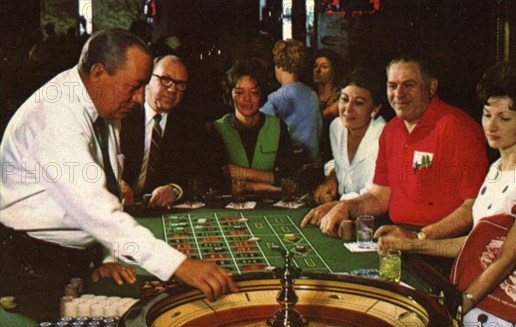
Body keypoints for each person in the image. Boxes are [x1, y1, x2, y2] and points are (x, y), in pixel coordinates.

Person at [0, 28, 237, 300]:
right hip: (31, 266)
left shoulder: (102, 106)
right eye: (133, 86)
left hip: (70, 258)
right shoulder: (56, 118)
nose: (139, 98)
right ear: (99, 73)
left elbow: (108, 188)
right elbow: (93, 209)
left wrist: (107, 255)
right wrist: (179, 266)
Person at [376, 61, 516, 327]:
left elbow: (507, 256)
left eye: (505, 117)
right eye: (487, 114)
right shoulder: (495, 170)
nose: (491, 125)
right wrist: (413, 245)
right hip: (482, 302)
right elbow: (476, 245)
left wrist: (462, 302)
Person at [302, 53, 488, 247]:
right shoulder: (391, 129)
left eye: (408, 85)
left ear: (431, 87)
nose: (399, 94)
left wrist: (420, 237)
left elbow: (474, 205)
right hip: (399, 236)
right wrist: (346, 207)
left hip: (441, 245)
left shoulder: (457, 127)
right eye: (392, 86)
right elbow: (378, 196)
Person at [120, 55, 222, 208]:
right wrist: (116, 183)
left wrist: (175, 189)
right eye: (165, 79)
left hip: (163, 212)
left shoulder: (190, 124)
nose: (173, 89)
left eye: (180, 84)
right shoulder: (121, 114)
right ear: (147, 80)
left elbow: (202, 172)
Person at [209, 59, 297, 193]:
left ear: (261, 94)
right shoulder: (218, 128)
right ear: (230, 94)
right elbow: (217, 183)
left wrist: (244, 173)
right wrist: (264, 186)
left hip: (272, 205)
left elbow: (288, 177)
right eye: (240, 92)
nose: (247, 98)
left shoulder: (277, 126)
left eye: (253, 92)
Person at [313, 67, 386, 203]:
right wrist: (332, 179)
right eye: (344, 99)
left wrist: (339, 206)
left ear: (375, 108)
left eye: (358, 103)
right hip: (342, 211)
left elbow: (373, 195)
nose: (348, 108)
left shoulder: (384, 136)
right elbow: (338, 163)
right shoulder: (337, 127)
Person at [260, 39, 323, 164]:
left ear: (278, 66)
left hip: (293, 165)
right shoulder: (312, 94)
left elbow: (257, 125)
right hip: (315, 164)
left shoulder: (276, 98)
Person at [312, 49, 344, 161]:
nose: (317, 70)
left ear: (334, 71)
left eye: (324, 67)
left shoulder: (343, 96)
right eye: (315, 66)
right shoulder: (308, 95)